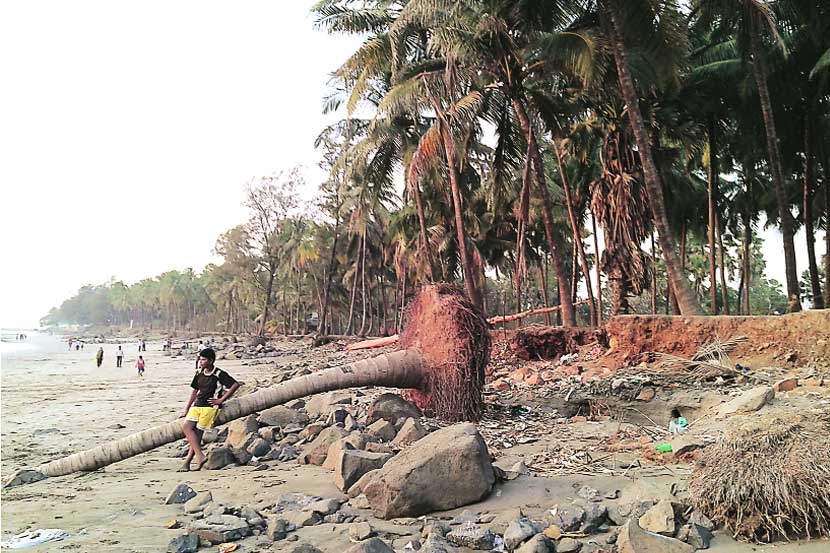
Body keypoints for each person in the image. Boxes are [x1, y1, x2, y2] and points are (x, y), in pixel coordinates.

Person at [179, 348, 239, 471]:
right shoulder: (199, 373)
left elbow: (235, 384)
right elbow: (195, 391)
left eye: (203, 360)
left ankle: (188, 462)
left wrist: (221, 400)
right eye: (200, 359)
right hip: (197, 405)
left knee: (197, 435)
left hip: (209, 407)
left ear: (211, 361)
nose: (200, 362)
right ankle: (199, 456)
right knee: (186, 427)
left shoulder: (218, 374)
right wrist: (187, 408)